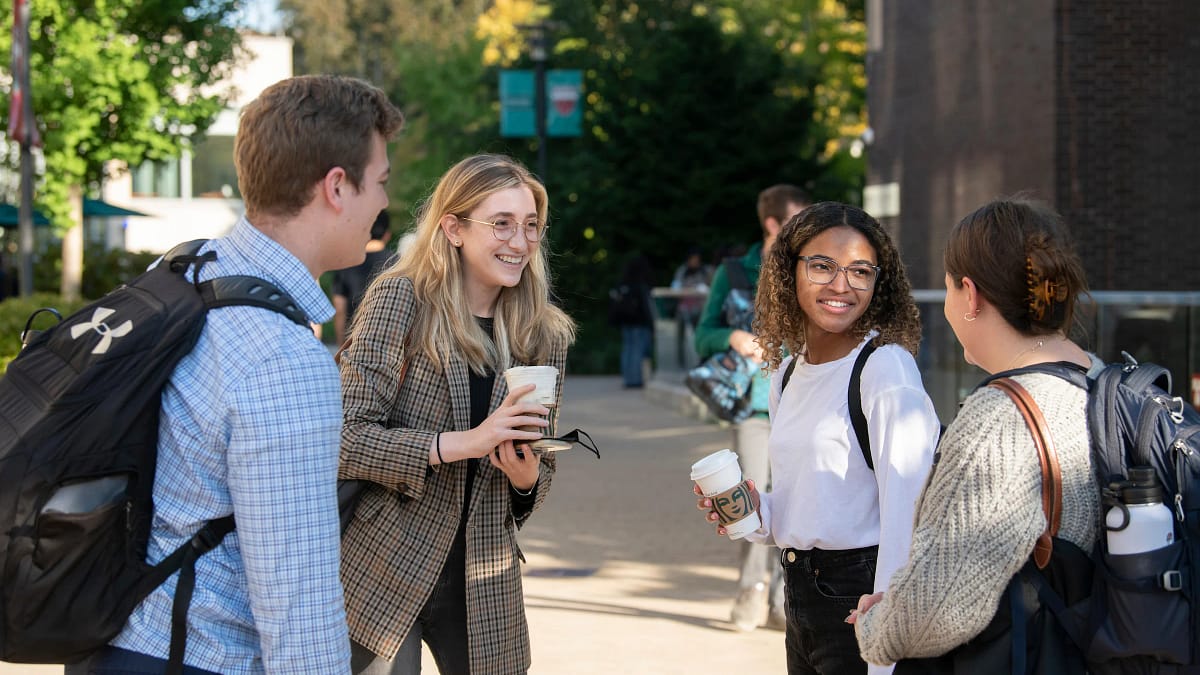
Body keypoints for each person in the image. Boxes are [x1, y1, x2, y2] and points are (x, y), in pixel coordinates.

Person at [65, 75, 404, 674]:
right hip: (195, 657)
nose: (382, 203)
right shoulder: (284, 360)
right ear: (336, 187)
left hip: (115, 640)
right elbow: (296, 603)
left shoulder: (183, 271)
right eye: (379, 182)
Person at [338, 153, 576, 675]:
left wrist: (527, 478)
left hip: (485, 577)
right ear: (453, 228)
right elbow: (346, 438)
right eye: (502, 224)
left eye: (531, 226)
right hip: (383, 564)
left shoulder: (544, 332)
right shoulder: (401, 299)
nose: (520, 241)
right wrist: (462, 442)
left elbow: (538, 476)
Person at [850, 198, 1102, 669]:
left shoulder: (999, 421)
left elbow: (929, 614)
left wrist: (875, 624)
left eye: (946, 289)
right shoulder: (1103, 381)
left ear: (970, 295)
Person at [698, 201, 941, 675]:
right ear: (789, 272)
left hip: (864, 600)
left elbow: (908, 511)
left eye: (860, 271)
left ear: (879, 282)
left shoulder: (885, 368)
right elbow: (805, 505)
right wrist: (750, 511)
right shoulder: (787, 373)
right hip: (801, 594)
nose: (841, 285)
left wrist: (886, 636)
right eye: (823, 266)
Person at [694, 183, 810, 632]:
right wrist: (732, 338)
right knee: (745, 498)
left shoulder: (808, 270)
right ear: (772, 224)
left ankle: (785, 597)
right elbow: (703, 334)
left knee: (794, 503)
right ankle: (749, 589)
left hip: (800, 407)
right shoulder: (734, 273)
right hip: (751, 408)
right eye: (796, 222)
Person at [332, 209, 394, 345]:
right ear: (387, 234)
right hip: (389, 344)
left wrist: (341, 344)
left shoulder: (346, 263)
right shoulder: (399, 264)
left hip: (354, 343)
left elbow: (340, 308)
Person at [609, 253, 656, 388]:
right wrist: (651, 324)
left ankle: (628, 378)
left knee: (628, 349)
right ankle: (635, 380)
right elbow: (647, 307)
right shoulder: (641, 284)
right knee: (637, 350)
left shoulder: (624, 282)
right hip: (639, 322)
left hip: (625, 321)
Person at [670, 247, 712, 367]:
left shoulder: (705, 271)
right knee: (682, 337)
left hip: (702, 310)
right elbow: (676, 286)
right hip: (685, 310)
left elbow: (711, 287)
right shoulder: (682, 271)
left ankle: (701, 360)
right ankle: (682, 362)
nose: (695, 262)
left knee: (700, 334)